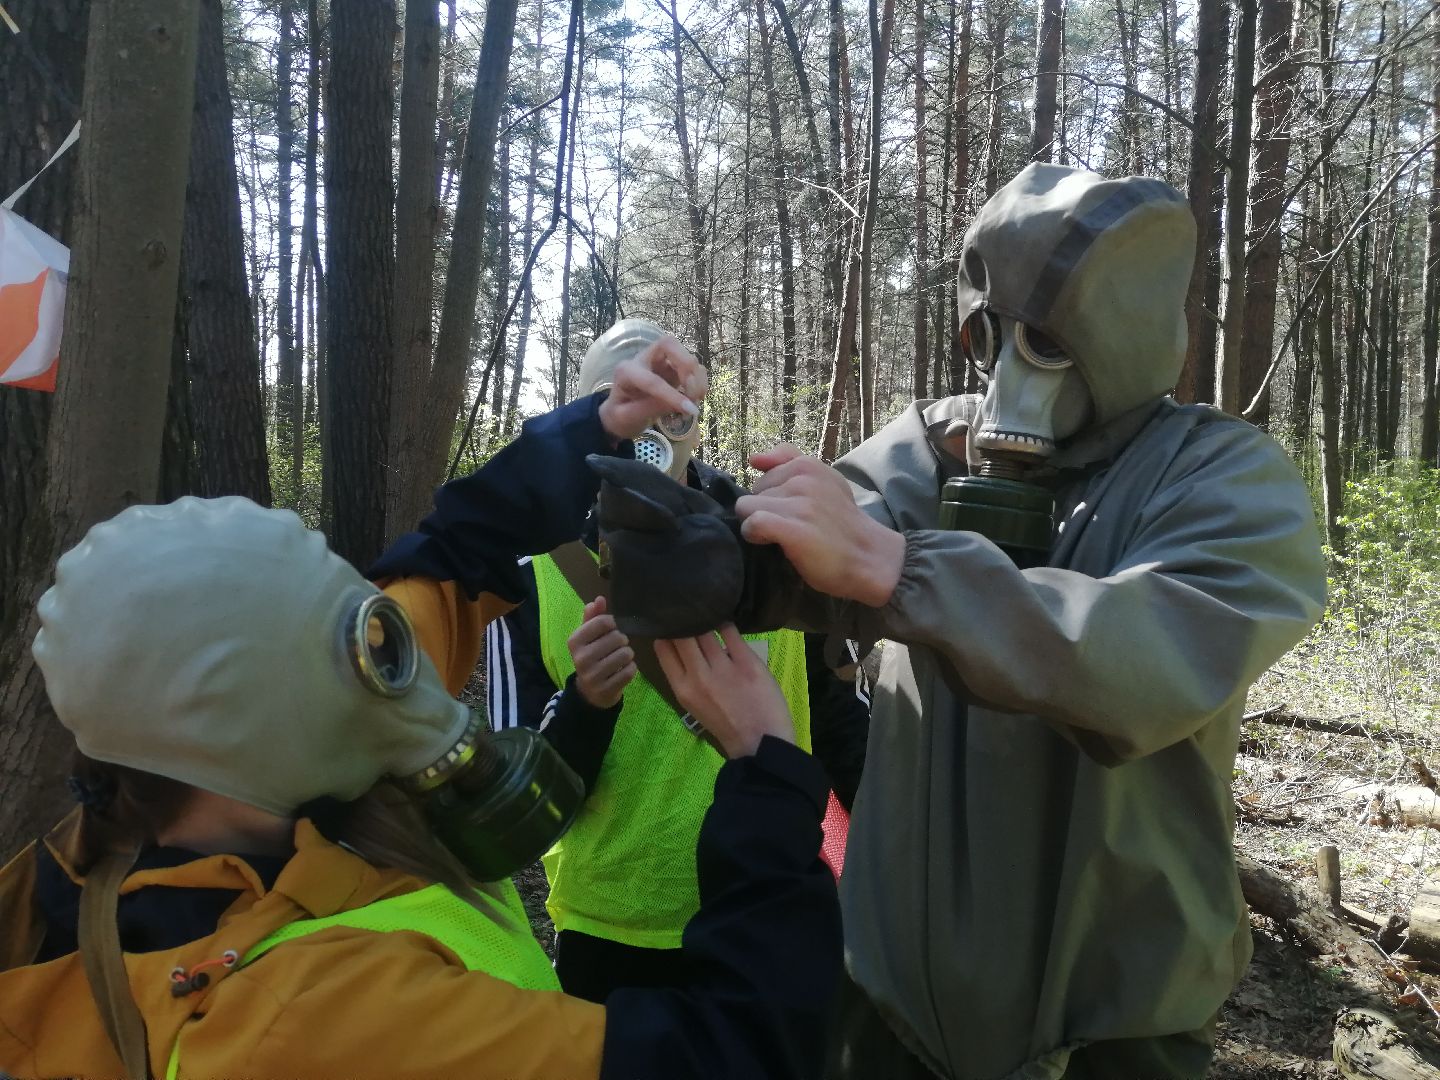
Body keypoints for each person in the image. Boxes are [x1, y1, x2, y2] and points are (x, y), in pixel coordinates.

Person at [599, 165, 1329, 1078]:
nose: (1013, 370)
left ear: (1126, 334)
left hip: (1107, 1035)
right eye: (995, 334)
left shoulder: (1221, 479)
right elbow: (816, 557)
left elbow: (1150, 658)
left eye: (1052, 341)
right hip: (890, 1008)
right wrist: (702, 541)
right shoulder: (934, 448)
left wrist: (903, 570)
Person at [0, 349, 842, 1080]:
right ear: (253, 723)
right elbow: (733, 1057)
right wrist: (765, 769)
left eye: (370, 624)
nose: (394, 663)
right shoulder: (314, 1019)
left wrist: (599, 426)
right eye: (360, 645)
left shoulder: (241, 747)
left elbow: (449, 557)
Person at [482, 318, 870, 1002]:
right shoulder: (530, 573)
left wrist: (902, 855)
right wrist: (584, 706)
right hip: (612, 933)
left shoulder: (768, 543)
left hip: (772, 900)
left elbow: (840, 722)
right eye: (621, 398)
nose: (645, 421)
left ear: (692, 413)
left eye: (667, 400)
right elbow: (509, 806)